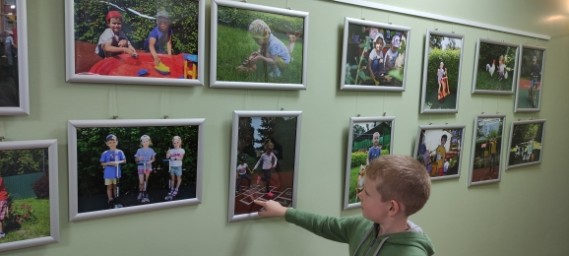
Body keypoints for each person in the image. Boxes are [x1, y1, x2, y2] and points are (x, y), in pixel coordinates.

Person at [254, 155, 434, 256]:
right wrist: (284, 212)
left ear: (392, 208)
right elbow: (325, 225)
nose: (360, 194)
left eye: (367, 193)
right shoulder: (363, 227)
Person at [100, 134, 126, 207]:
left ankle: (116, 199)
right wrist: (109, 163)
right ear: (107, 144)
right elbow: (102, 163)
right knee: (109, 187)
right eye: (110, 142)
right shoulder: (105, 153)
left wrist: (117, 162)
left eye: (114, 142)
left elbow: (124, 161)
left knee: (116, 187)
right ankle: (110, 199)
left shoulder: (120, 152)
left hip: (116, 174)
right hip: (108, 174)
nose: (112, 144)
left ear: (117, 142)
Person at [134, 135, 156, 203]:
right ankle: (140, 193)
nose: (145, 142)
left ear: (149, 142)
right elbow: (136, 160)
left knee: (146, 181)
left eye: (147, 141)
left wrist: (151, 161)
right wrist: (138, 159)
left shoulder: (151, 150)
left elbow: (153, 159)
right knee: (141, 182)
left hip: (148, 167)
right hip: (141, 167)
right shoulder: (139, 150)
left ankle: (145, 194)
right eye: (144, 141)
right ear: (141, 143)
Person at [165, 136, 185, 200]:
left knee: (178, 178)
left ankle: (176, 189)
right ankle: (172, 189)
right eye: (174, 143)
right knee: (172, 179)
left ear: (180, 142)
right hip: (172, 167)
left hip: (178, 167)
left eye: (177, 142)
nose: (176, 144)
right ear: (172, 143)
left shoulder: (182, 150)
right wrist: (168, 152)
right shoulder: (171, 150)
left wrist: (175, 158)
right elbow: (167, 157)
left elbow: (181, 158)